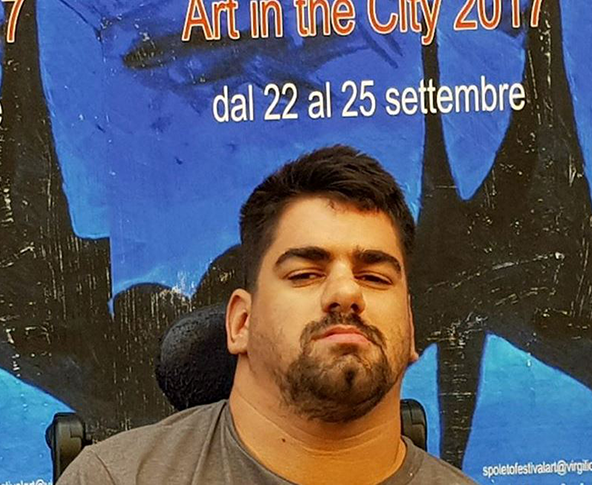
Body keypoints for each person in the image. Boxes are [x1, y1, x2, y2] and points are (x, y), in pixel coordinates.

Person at [59, 146, 475, 484]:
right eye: (305, 274)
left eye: (374, 277)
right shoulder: (114, 479)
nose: (347, 292)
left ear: (411, 329)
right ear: (241, 322)